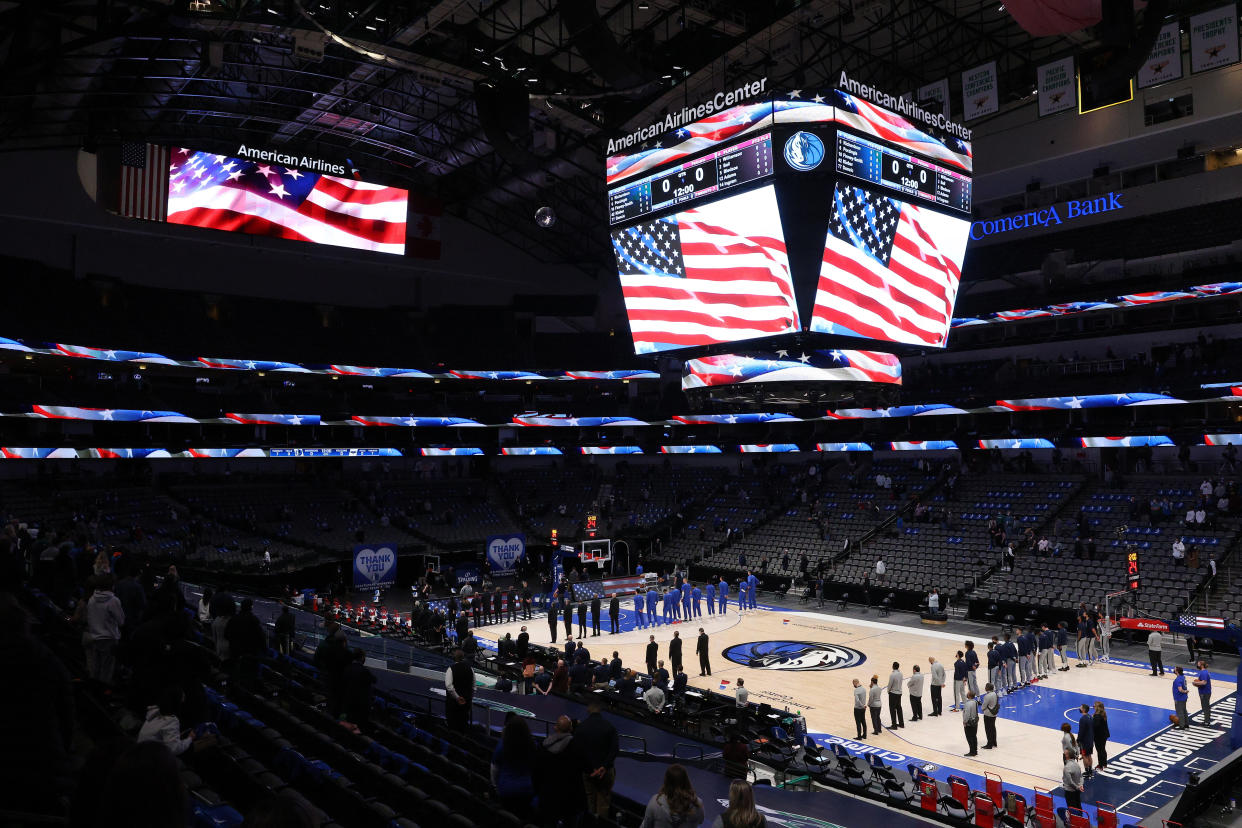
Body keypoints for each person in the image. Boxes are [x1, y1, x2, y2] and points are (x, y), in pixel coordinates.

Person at [536, 716, 585, 827]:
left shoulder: (543, 745)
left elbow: (537, 771)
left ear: (555, 728)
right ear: (571, 729)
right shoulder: (576, 748)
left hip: (547, 796)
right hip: (568, 800)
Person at [575, 698, 619, 821]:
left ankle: (589, 823)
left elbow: (579, 751)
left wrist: (591, 769)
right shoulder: (609, 727)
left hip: (588, 772)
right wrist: (603, 767)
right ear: (600, 710)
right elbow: (614, 750)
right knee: (603, 801)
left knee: (590, 800)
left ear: (588, 710)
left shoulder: (581, 728)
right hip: (605, 773)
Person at [81, 573, 125, 685]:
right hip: (109, 639)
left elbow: (90, 619)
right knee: (106, 672)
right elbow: (121, 621)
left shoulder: (91, 599)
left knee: (95, 671)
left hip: (95, 638)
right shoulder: (113, 601)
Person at [491, 715, 537, 818]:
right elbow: (536, 768)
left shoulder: (502, 745)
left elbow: (494, 769)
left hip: (506, 790)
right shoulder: (533, 745)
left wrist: (495, 786)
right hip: (526, 790)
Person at [138, 686, 196, 756]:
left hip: (140, 753)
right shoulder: (171, 721)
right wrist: (190, 738)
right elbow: (174, 749)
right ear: (177, 703)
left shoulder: (154, 712)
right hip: (150, 760)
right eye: (182, 701)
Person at [641, 764, 704, 828]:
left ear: (666, 781)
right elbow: (701, 821)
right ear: (686, 780)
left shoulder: (655, 802)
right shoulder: (698, 803)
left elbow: (646, 825)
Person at [342, 648, 376, 727]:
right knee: (358, 725)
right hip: (360, 704)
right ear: (361, 658)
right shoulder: (364, 671)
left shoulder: (347, 668)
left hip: (347, 701)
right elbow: (374, 680)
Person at [445, 649, 474, 732]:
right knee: (464, 723)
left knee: (452, 725)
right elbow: (474, 687)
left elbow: (449, 686)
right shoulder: (470, 669)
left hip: (453, 703)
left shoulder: (450, 669)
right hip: (466, 702)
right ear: (463, 658)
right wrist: (469, 698)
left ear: (454, 658)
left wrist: (457, 697)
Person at [1077, 703, 1095, 777]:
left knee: (1085, 756)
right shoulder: (1090, 717)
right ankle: (1090, 770)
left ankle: (1087, 771)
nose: (1079, 708)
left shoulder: (1082, 719)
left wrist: (1078, 740)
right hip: (1091, 739)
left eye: (1080, 707)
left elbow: (1081, 731)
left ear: (1083, 709)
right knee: (1089, 755)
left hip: (1085, 741)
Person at [1092, 701, 1111, 770]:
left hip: (1099, 736)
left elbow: (1095, 726)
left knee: (1099, 750)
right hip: (1104, 735)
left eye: (1094, 706)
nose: (1093, 707)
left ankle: (1100, 765)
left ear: (1097, 707)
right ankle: (1104, 764)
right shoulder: (1103, 714)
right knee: (1103, 749)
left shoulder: (1097, 716)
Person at [1193, 659, 1212, 725]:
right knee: (1206, 706)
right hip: (1205, 692)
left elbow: (1204, 682)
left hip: (1205, 692)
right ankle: (1207, 720)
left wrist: (1195, 683)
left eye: (1198, 664)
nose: (1197, 665)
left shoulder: (1203, 672)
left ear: (1201, 665)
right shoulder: (1204, 672)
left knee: (1205, 707)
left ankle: (1207, 721)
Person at [887, 661, 905, 729]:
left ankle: (894, 725)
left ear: (893, 666)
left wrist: (888, 691)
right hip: (899, 693)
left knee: (892, 709)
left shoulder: (892, 675)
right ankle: (901, 723)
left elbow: (890, 684)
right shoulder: (901, 674)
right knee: (899, 708)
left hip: (893, 693)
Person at [980, 683, 999, 749]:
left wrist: (982, 709)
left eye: (985, 687)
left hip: (988, 714)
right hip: (994, 714)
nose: (985, 688)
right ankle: (994, 742)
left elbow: (983, 706)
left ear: (987, 688)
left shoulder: (987, 696)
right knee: (993, 728)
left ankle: (989, 744)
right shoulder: (995, 694)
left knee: (988, 730)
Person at [962, 690, 979, 756]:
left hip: (969, 723)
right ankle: (975, 750)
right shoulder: (975, 702)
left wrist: (965, 722)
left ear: (969, 695)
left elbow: (967, 714)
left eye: (968, 693)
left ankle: (972, 752)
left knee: (969, 737)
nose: (967, 693)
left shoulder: (968, 704)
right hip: (975, 722)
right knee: (974, 736)